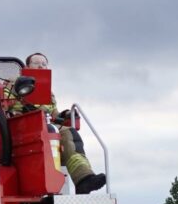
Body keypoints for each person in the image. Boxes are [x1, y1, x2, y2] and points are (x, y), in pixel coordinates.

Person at [8, 52, 106, 195]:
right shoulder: (13, 83)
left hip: (46, 125)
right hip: (22, 127)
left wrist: (65, 115)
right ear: (27, 67)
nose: (41, 66)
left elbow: (54, 114)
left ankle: (83, 179)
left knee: (70, 132)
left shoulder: (49, 92)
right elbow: (6, 107)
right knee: (53, 129)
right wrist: (23, 108)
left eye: (44, 64)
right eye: (36, 63)